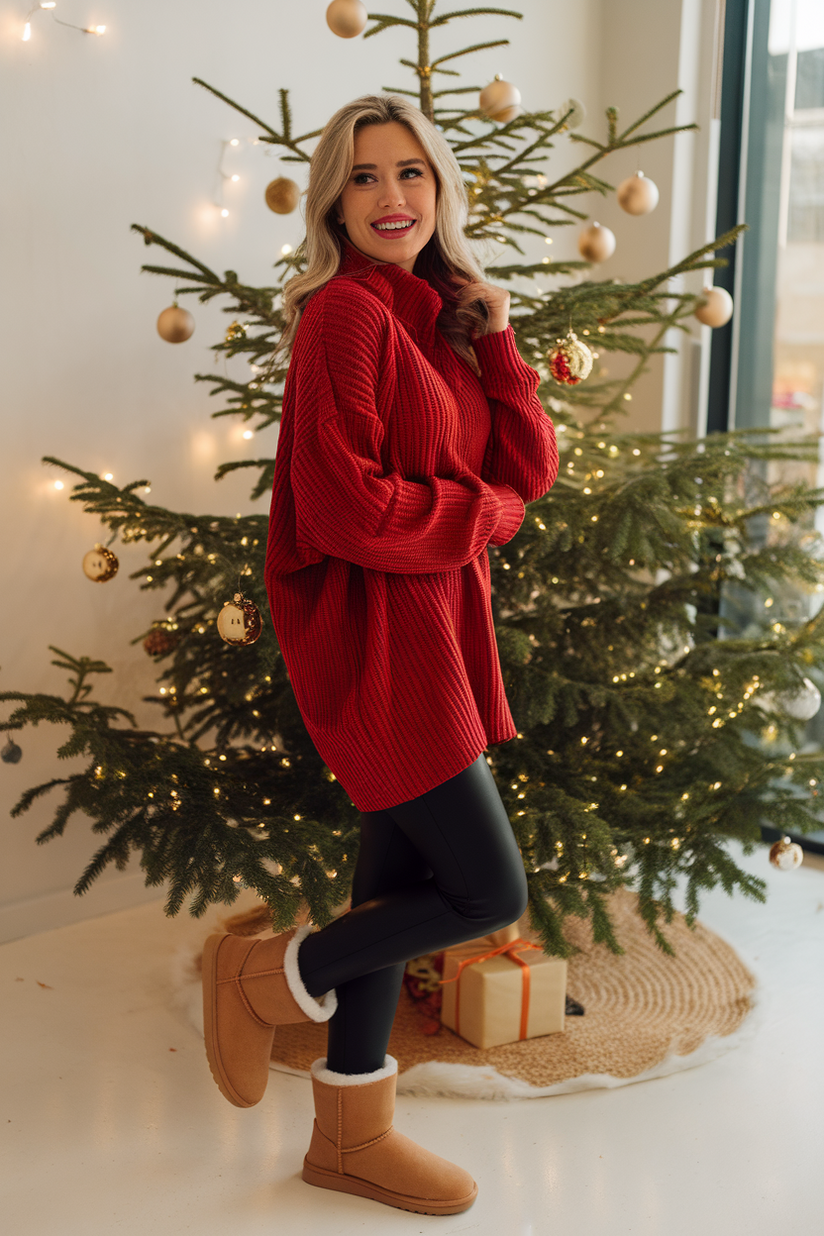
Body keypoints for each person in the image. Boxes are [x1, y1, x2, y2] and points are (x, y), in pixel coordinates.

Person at [201, 93, 558, 1217]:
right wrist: (480, 518)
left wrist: (495, 338)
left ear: (440, 187)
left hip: (432, 630)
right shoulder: (345, 316)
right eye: (362, 177)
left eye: (410, 173)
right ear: (333, 201)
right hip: (380, 642)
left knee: (393, 879)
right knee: (486, 888)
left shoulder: (432, 315)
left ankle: (351, 1132)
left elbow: (527, 469)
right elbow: (346, 510)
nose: (390, 197)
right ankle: (270, 977)